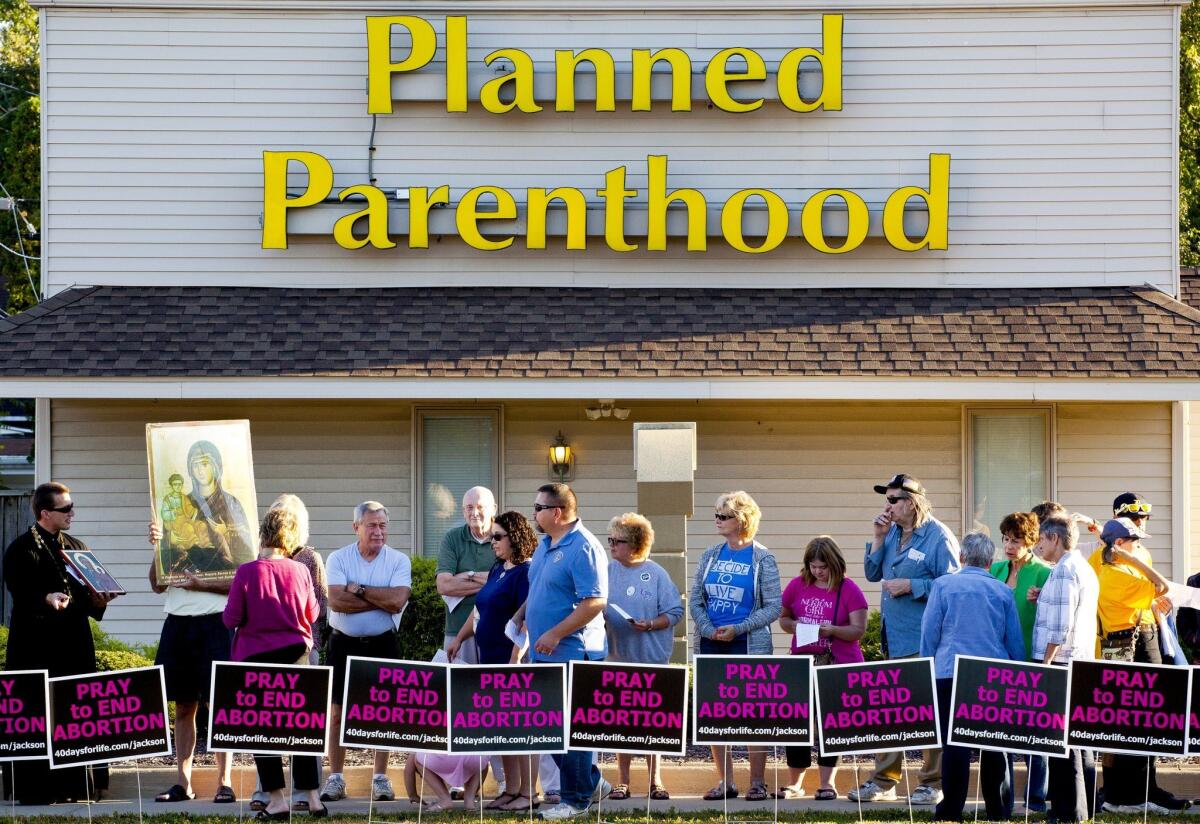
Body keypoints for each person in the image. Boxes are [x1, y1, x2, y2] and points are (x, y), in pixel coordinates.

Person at [3, 483, 118, 804]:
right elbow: (19, 591)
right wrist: (45, 597)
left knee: (75, 711)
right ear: (45, 513)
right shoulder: (22, 549)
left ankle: (75, 787)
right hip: (36, 645)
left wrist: (99, 599)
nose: (72, 514)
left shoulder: (76, 546)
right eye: (66, 509)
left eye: (72, 507)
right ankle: (37, 789)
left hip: (74, 643)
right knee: (39, 714)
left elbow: (89, 595)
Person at [852, 474, 959, 806]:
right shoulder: (892, 531)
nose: (888, 505)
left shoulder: (938, 536)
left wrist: (914, 586)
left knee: (929, 711)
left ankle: (932, 782)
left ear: (912, 502)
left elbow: (952, 586)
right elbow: (871, 573)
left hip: (925, 639)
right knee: (891, 710)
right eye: (886, 499)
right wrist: (878, 537)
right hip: (893, 638)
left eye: (894, 499)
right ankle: (885, 780)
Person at [512, 483, 609, 820]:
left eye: (538, 507)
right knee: (550, 729)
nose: (533, 513)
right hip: (544, 653)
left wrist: (555, 633)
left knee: (570, 732)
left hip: (572, 652)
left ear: (557, 512)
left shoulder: (584, 547)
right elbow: (540, 587)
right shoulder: (545, 545)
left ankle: (577, 800)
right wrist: (522, 612)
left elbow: (594, 601)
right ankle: (592, 783)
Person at [222, 507, 325, 820]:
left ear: (262, 534)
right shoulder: (300, 570)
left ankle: (278, 800)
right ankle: (313, 798)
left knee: (264, 730)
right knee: (301, 728)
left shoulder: (247, 572)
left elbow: (232, 618)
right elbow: (313, 614)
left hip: (255, 659)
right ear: (289, 538)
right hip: (296, 656)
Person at [921, 531, 1026, 822]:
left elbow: (930, 633)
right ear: (991, 562)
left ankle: (951, 810)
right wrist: (1020, 674)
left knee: (954, 745)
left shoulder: (942, 586)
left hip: (949, 672)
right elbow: (1013, 640)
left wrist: (925, 668)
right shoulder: (1003, 592)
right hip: (992, 675)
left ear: (961, 557)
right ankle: (997, 809)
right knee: (992, 742)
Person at [690, 490, 781, 803]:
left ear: (743, 520)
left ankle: (757, 782)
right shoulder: (710, 554)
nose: (718, 520)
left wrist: (738, 628)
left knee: (754, 714)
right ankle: (725, 781)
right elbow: (697, 599)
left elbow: (773, 607)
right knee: (715, 712)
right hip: (711, 642)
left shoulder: (762, 557)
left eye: (724, 515)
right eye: (716, 514)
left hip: (748, 644)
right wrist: (706, 628)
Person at [1091, 518, 1186, 815]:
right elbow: (1160, 584)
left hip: (1125, 643)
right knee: (1135, 719)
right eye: (1135, 541)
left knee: (1132, 719)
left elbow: (1153, 596)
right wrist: (1130, 558)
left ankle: (1137, 791)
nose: (1139, 546)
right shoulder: (1115, 573)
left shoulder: (1115, 570)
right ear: (1119, 545)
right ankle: (1127, 796)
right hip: (1132, 644)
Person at [320, 501, 412, 803]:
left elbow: (398, 601)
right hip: (342, 643)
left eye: (383, 525)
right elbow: (336, 601)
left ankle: (380, 778)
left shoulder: (398, 560)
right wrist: (379, 598)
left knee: (383, 713)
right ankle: (335, 778)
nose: (378, 531)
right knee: (337, 714)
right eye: (371, 525)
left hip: (383, 643)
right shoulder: (338, 558)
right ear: (356, 527)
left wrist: (358, 589)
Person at [447, 510, 536, 812]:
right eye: (491, 536)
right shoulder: (498, 568)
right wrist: (459, 639)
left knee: (521, 729)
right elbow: (479, 612)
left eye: (497, 536)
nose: (492, 541)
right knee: (503, 729)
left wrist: (515, 660)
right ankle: (510, 790)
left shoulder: (526, 572)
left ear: (515, 538)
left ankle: (527, 792)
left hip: (511, 661)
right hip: (489, 660)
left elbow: (527, 620)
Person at [147, 513, 237, 804]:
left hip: (216, 624)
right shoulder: (173, 545)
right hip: (178, 624)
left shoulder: (227, 545)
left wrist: (202, 585)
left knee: (219, 703)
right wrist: (158, 549)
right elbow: (157, 585)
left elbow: (238, 585)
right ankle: (183, 783)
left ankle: (224, 782)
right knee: (184, 705)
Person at [250, 494, 330, 812]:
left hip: (302, 651)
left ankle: (302, 793)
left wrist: (314, 647)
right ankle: (266, 793)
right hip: (281, 650)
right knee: (269, 725)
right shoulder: (256, 562)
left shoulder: (309, 558)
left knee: (301, 726)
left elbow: (320, 606)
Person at [777, 536, 867, 801]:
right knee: (797, 720)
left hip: (838, 663)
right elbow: (783, 618)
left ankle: (827, 783)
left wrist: (833, 630)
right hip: (803, 661)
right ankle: (795, 783)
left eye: (823, 566)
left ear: (835, 563)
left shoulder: (848, 589)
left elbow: (858, 630)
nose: (818, 571)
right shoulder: (797, 585)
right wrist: (792, 626)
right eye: (813, 566)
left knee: (831, 723)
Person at [603, 513, 684, 803]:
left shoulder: (657, 573)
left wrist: (649, 624)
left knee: (652, 722)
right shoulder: (607, 570)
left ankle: (655, 781)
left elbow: (675, 613)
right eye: (610, 539)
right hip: (615, 657)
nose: (611, 545)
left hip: (650, 658)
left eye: (618, 541)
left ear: (636, 544)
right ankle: (622, 781)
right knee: (622, 721)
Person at [1031, 517, 1098, 824]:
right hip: (1080, 660)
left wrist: (1044, 666)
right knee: (1078, 741)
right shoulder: (1082, 567)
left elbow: (1059, 628)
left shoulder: (1063, 571)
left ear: (1055, 539)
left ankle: (1066, 811)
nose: (1037, 546)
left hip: (1059, 663)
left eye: (1041, 540)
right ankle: (1083, 808)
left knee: (1061, 744)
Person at [988, 512, 1052, 813]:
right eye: (1006, 539)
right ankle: (1003, 800)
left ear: (1032, 541)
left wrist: (1042, 599)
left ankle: (1036, 800)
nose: (1009, 545)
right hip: (998, 659)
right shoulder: (996, 568)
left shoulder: (1044, 572)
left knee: (1033, 734)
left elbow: (1055, 616)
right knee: (1001, 733)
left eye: (1016, 540)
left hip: (1030, 658)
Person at [160, 440, 255, 576]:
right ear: (190, 470)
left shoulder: (231, 503)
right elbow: (168, 563)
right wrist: (170, 540)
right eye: (195, 466)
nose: (200, 470)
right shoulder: (181, 503)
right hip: (191, 585)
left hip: (224, 588)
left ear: (215, 467)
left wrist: (225, 533)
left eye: (205, 464)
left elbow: (245, 556)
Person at [436, 486, 500, 663]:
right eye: (469, 507)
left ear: (493, 508)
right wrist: (495, 580)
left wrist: (467, 575)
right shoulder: (452, 538)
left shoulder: (504, 537)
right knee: (460, 687)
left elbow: (514, 579)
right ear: (463, 511)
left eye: (480, 507)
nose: (474, 513)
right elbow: (444, 585)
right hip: (458, 633)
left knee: (495, 688)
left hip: (498, 631)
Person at [404, 753, 487, 813]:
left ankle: (445, 800)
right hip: (473, 755)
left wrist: (413, 795)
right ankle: (470, 801)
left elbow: (409, 767)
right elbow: (483, 767)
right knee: (481, 759)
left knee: (418, 758)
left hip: (444, 759)